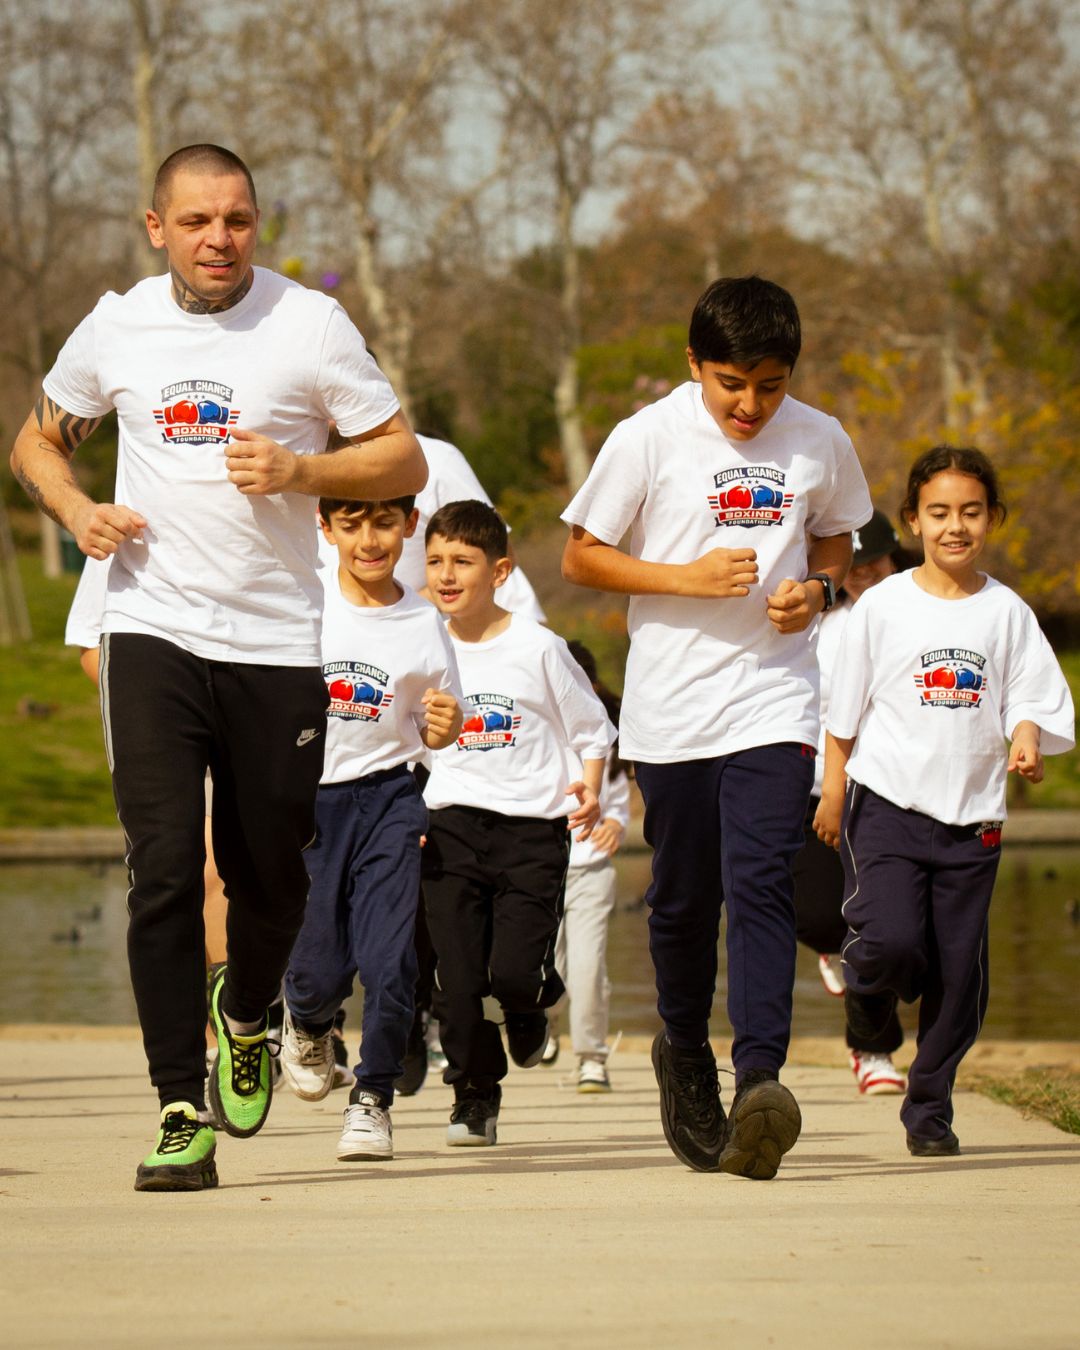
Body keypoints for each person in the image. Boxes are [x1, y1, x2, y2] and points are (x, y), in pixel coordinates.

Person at [9, 143, 426, 1191]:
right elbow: (35, 444)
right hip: (150, 625)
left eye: (236, 219)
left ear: (257, 224)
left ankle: (246, 1015)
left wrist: (302, 468)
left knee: (272, 874)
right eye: (195, 221)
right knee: (160, 867)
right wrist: (76, 511)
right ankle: (177, 1108)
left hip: (276, 641)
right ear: (158, 228)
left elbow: (403, 456)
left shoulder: (310, 323)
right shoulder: (117, 325)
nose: (218, 239)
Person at [561, 275, 872, 1180]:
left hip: (775, 697)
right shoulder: (647, 436)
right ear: (694, 363)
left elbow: (838, 538)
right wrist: (683, 579)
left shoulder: (820, 437)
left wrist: (817, 591)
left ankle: (760, 1080)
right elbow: (581, 555)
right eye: (732, 383)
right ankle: (686, 1051)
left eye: (770, 386)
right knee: (685, 898)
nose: (750, 405)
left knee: (763, 879)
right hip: (671, 710)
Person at [815, 445, 1074, 1157]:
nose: (955, 526)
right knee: (889, 942)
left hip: (973, 820)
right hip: (887, 805)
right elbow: (844, 712)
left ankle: (929, 1109)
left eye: (970, 512)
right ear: (913, 520)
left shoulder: (1007, 612)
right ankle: (868, 992)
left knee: (960, 979)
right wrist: (833, 790)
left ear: (992, 518)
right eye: (939, 513)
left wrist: (1026, 737)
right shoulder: (883, 606)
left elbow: (1031, 694)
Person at [421, 500, 615, 1146]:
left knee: (510, 973)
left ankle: (530, 998)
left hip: (531, 832)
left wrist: (590, 790)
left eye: (463, 562)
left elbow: (592, 729)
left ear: (499, 572)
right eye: (435, 562)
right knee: (456, 980)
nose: (447, 575)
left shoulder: (539, 648)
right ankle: (474, 1097)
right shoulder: (423, 647)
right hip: (449, 827)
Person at [278, 493, 464, 1161]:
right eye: (351, 524)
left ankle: (372, 1098)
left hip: (390, 798)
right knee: (318, 969)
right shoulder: (303, 600)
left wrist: (445, 726)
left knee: (391, 962)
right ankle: (308, 1022)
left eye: (385, 523)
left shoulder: (424, 620)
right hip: (307, 805)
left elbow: (441, 719)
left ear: (410, 524)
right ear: (324, 526)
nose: (369, 540)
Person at [791, 509, 909, 1095]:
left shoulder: (917, 617)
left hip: (891, 791)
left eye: (874, 563)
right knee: (818, 916)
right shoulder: (814, 624)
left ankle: (873, 1050)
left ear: (894, 559)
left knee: (880, 926)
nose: (862, 574)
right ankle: (834, 949)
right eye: (852, 565)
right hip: (813, 786)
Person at [550, 640, 632, 1092]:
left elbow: (617, 803)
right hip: (541, 868)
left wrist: (616, 824)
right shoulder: (533, 727)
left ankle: (591, 1058)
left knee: (588, 966)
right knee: (547, 968)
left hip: (591, 869)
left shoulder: (606, 739)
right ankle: (544, 1023)